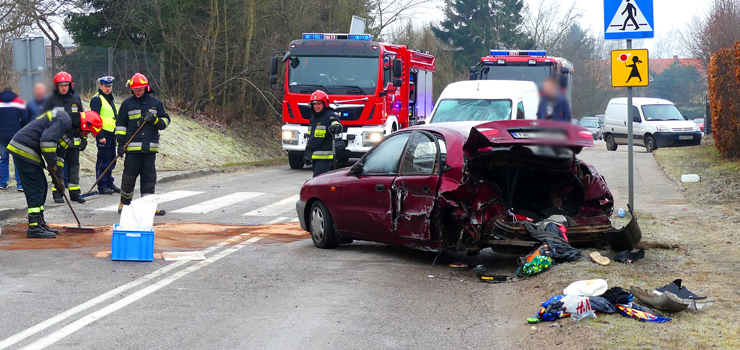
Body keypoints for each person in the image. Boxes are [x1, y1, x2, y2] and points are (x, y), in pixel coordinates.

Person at [6, 110, 102, 238]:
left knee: (42, 186)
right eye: (88, 131)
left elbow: (59, 157)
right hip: (24, 148)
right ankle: (34, 227)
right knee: (36, 188)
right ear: (84, 125)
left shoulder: (69, 132)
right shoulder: (64, 120)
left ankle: (39, 223)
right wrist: (51, 165)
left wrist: (60, 181)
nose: (87, 134)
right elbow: (47, 142)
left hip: (30, 150)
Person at [116, 73, 170, 215]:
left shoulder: (156, 103)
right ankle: (124, 204)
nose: (137, 91)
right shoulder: (127, 104)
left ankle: (148, 207)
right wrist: (120, 144)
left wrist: (155, 120)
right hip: (132, 149)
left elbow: (165, 122)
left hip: (149, 149)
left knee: (149, 179)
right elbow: (121, 125)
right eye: (135, 89)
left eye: (140, 88)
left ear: (146, 87)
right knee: (128, 177)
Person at [43, 71, 87, 204]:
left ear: (70, 85)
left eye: (66, 85)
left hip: (73, 140)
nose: (63, 87)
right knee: (58, 167)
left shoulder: (76, 100)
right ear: (56, 86)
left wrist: (84, 137)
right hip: (58, 141)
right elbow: (45, 121)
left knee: (74, 167)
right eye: (61, 85)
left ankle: (75, 194)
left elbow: (82, 119)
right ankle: (58, 194)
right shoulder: (50, 101)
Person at [90, 76, 120, 195]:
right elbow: (94, 118)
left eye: (110, 86)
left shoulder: (110, 98)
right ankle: (102, 185)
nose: (108, 89)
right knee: (103, 160)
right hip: (104, 134)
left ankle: (109, 182)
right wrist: (99, 135)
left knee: (112, 159)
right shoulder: (97, 99)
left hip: (112, 133)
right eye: (106, 86)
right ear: (100, 86)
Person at [304, 90, 342, 177]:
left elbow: (336, 123)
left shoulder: (330, 115)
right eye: (314, 104)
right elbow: (311, 138)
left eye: (319, 104)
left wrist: (335, 127)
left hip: (324, 158)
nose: (316, 106)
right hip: (315, 156)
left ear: (325, 104)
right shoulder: (313, 118)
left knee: (318, 181)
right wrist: (307, 154)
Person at [0, 86, 29, 191]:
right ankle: (20, 184)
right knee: (17, 159)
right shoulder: (19, 101)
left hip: (1, 135)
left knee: (3, 159)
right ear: (12, 91)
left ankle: (3, 183)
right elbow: (25, 118)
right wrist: (20, 128)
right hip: (15, 135)